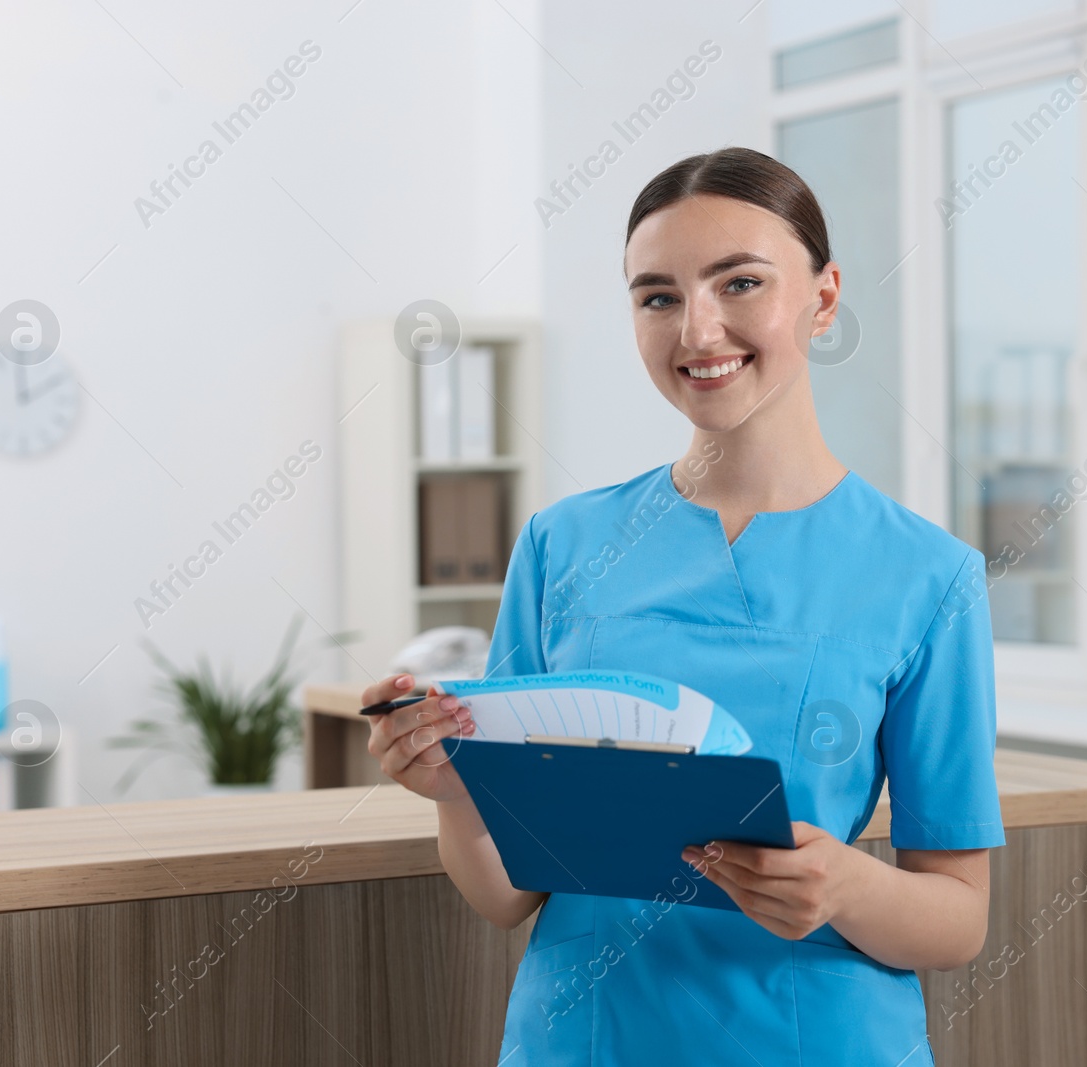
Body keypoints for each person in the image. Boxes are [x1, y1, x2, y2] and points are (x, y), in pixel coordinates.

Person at [362, 146, 1005, 1067]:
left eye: (739, 283)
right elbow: (508, 897)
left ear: (824, 298)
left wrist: (846, 886)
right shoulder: (562, 545)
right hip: (584, 1040)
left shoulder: (928, 576)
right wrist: (458, 795)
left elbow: (959, 917)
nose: (699, 332)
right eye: (657, 296)